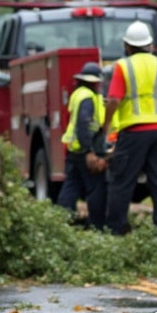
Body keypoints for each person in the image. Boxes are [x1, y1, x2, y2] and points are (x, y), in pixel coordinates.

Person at [101, 21, 157, 235]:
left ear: (127, 46)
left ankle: (115, 232)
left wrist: (106, 124)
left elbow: (113, 100)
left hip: (134, 131)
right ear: (150, 45)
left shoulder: (123, 66)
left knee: (122, 182)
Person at [57, 61, 107, 229]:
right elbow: (84, 124)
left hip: (74, 149)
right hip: (85, 149)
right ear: (95, 82)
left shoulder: (78, 94)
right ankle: (96, 226)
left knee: (71, 187)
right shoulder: (88, 98)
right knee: (95, 189)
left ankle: (62, 223)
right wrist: (90, 151)